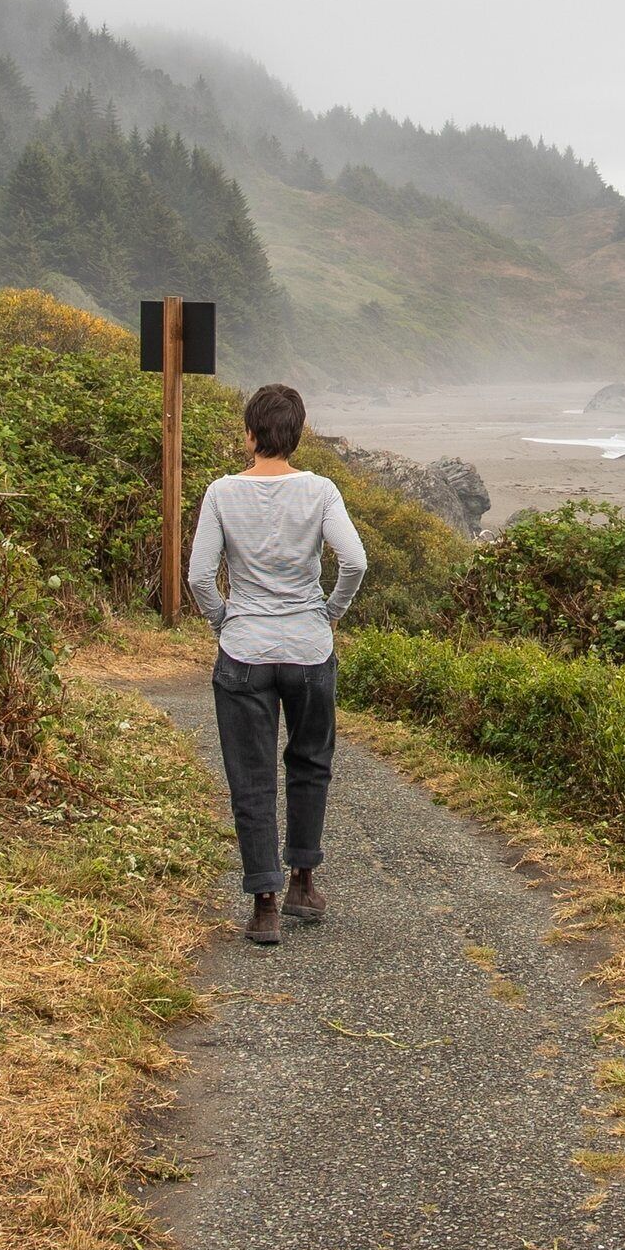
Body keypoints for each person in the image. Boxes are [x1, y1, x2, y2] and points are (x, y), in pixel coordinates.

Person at [185, 383, 368, 945]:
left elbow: (197, 577)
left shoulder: (221, 492)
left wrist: (225, 623)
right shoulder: (320, 491)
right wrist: (327, 613)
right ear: (297, 434)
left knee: (252, 775)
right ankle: (302, 883)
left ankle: (263, 903)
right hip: (309, 649)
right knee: (310, 763)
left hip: (245, 651)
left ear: (250, 433)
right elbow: (354, 562)